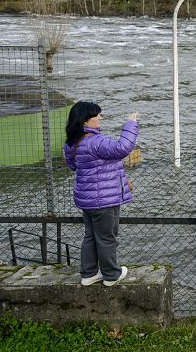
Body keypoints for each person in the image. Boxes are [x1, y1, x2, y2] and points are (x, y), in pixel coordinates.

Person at [63, 101, 139, 287]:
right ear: (85, 121)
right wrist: (131, 124)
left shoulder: (72, 143)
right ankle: (111, 275)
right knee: (107, 238)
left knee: (90, 236)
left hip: (86, 199)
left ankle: (88, 274)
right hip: (104, 201)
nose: (100, 118)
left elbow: (74, 166)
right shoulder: (97, 141)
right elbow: (122, 148)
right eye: (97, 115)